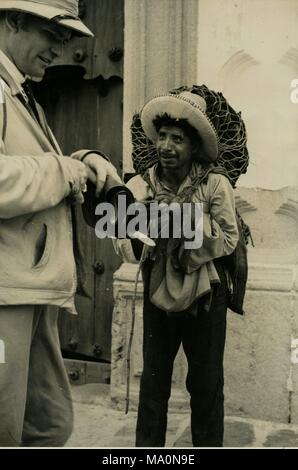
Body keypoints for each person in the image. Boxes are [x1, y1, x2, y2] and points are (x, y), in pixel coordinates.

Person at [0, 0, 120, 447]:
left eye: (66, 39)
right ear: (13, 20)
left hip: (27, 288)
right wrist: (64, 172)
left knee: (46, 426)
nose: (61, 50)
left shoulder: (18, 91)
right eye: (53, 35)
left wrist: (80, 161)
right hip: (4, 296)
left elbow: (25, 162)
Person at [114, 90, 239, 447]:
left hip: (206, 296)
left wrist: (186, 220)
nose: (167, 146)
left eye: (178, 139)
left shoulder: (215, 184)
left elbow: (228, 239)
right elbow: (122, 243)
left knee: (206, 383)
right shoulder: (141, 185)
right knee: (153, 381)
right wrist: (145, 226)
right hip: (158, 290)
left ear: (194, 146)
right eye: (163, 136)